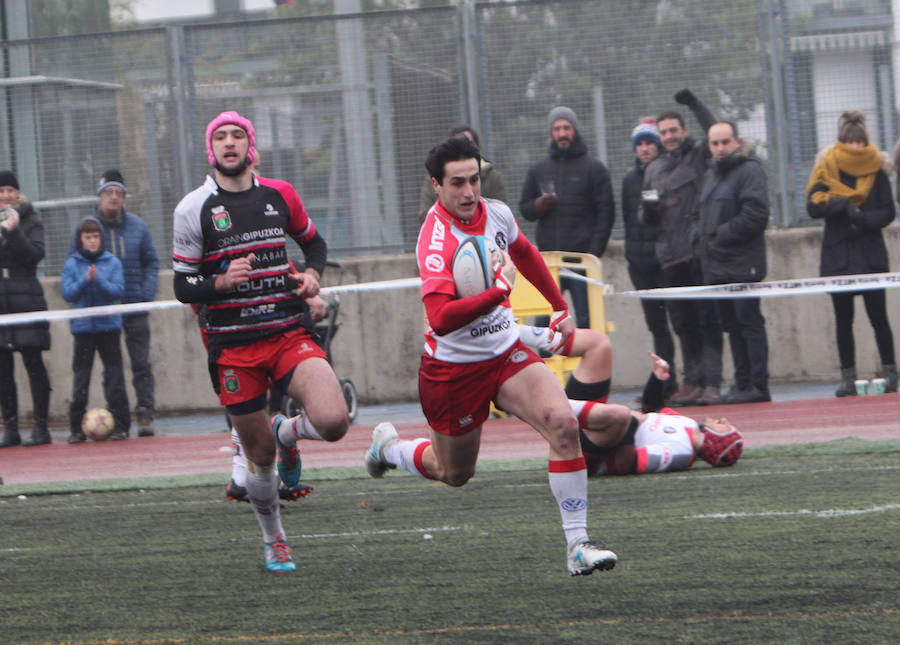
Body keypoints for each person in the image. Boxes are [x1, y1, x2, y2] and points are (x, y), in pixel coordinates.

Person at [366, 135, 617, 577]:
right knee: (454, 473)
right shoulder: (435, 240)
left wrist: (558, 304)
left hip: (504, 353)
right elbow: (441, 317)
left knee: (563, 422)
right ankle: (390, 449)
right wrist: (498, 292)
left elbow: (524, 251)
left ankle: (578, 543)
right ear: (437, 187)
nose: (468, 192)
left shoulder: (496, 211)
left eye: (474, 180)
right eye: (457, 183)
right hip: (452, 371)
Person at [172, 110, 349, 572]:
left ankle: (287, 431)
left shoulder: (279, 194)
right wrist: (221, 283)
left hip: (287, 330)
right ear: (210, 150)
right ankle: (275, 540)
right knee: (259, 458)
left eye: (237, 135)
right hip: (233, 346)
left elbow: (314, 244)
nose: (229, 143)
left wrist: (312, 276)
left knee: (333, 421)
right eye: (220, 137)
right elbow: (183, 286)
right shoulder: (193, 208)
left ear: (251, 146)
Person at [519, 324, 743, 475]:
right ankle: (513, 332)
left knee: (621, 414)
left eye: (726, 427)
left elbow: (627, 464)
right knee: (599, 344)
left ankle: (532, 404)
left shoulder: (680, 454)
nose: (723, 419)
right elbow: (651, 411)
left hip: (588, 454)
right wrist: (657, 380)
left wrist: (630, 421)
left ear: (716, 442)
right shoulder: (689, 425)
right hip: (598, 426)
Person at [639, 89, 722, 405]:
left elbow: (715, 130)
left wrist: (694, 103)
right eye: (664, 132)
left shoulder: (700, 155)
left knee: (707, 319)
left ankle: (711, 381)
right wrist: (648, 210)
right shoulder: (653, 169)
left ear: (684, 131)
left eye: (674, 130)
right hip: (669, 257)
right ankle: (692, 381)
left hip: (698, 253)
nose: (670, 136)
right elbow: (643, 211)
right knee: (683, 324)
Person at [807, 110, 897, 396]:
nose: (855, 148)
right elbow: (813, 206)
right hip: (839, 258)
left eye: (860, 143)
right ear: (842, 142)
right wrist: (842, 205)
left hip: (870, 256)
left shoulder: (877, 170)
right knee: (843, 321)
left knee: (878, 318)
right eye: (851, 143)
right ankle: (848, 378)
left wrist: (863, 219)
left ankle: (890, 373)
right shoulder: (827, 167)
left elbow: (888, 210)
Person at [75, 170, 160, 436]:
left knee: (141, 363)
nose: (113, 198)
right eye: (108, 193)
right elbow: (73, 262)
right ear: (100, 196)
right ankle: (116, 419)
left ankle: (145, 415)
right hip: (104, 310)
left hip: (134, 306)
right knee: (110, 368)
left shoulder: (137, 227)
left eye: (118, 193)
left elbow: (152, 262)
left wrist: (145, 294)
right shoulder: (87, 229)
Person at [692, 122, 771, 404]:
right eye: (715, 143)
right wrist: (698, 234)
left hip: (742, 264)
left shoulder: (749, 170)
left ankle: (758, 385)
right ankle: (742, 383)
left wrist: (719, 235)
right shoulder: (713, 173)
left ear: (736, 141)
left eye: (725, 142)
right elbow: (702, 212)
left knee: (749, 323)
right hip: (716, 266)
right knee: (732, 326)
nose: (720, 148)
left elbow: (756, 214)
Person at [520, 106, 615, 329]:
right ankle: (545, 364)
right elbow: (525, 209)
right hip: (549, 261)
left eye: (566, 127)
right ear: (551, 132)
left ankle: (586, 364)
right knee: (544, 321)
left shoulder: (594, 168)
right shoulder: (538, 169)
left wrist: (593, 253)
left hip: (581, 260)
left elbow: (606, 212)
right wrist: (538, 205)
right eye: (557, 128)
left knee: (587, 321)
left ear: (575, 130)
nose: (562, 133)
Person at [620, 117, 678, 399]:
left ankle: (675, 381)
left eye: (649, 143)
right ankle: (664, 382)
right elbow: (628, 223)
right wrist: (632, 256)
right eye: (639, 144)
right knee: (656, 326)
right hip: (639, 264)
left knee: (677, 322)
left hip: (666, 262)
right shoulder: (629, 180)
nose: (644, 149)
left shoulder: (669, 173)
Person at [61, 217, 131, 443]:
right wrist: (85, 280)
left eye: (95, 236)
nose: (92, 241)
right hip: (83, 329)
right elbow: (68, 293)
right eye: (87, 237)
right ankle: (76, 429)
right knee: (81, 379)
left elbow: (117, 291)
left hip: (108, 327)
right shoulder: (72, 263)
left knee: (114, 377)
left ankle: (122, 425)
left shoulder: (112, 262)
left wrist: (97, 280)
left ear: (101, 238)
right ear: (80, 240)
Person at [0, 170, 52, 447]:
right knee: (3, 369)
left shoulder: (31, 220)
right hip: (1, 305)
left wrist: (13, 231)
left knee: (34, 364)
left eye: (10, 190)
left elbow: (34, 254)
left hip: (27, 299)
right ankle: (10, 427)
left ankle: (41, 426)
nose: (6, 195)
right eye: (1, 191)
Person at [418, 124, 507, 224]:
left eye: (474, 180)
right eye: (457, 183)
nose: (469, 194)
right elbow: (424, 215)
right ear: (437, 184)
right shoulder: (434, 236)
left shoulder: (493, 177)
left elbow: (499, 212)